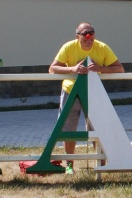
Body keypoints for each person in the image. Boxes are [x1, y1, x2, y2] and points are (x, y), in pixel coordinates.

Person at [49, 22, 124, 174]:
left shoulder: (102, 47)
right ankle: (69, 164)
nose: (89, 39)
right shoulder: (68, 47)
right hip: (71, 91)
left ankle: (101, 162)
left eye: (91, 35)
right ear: (78, 36)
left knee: (98, 128)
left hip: (94, 93)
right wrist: (72, 69)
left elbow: (120, 69)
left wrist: (101, 68)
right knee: (69, 129)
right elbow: (52, 69)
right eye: (85, 36)